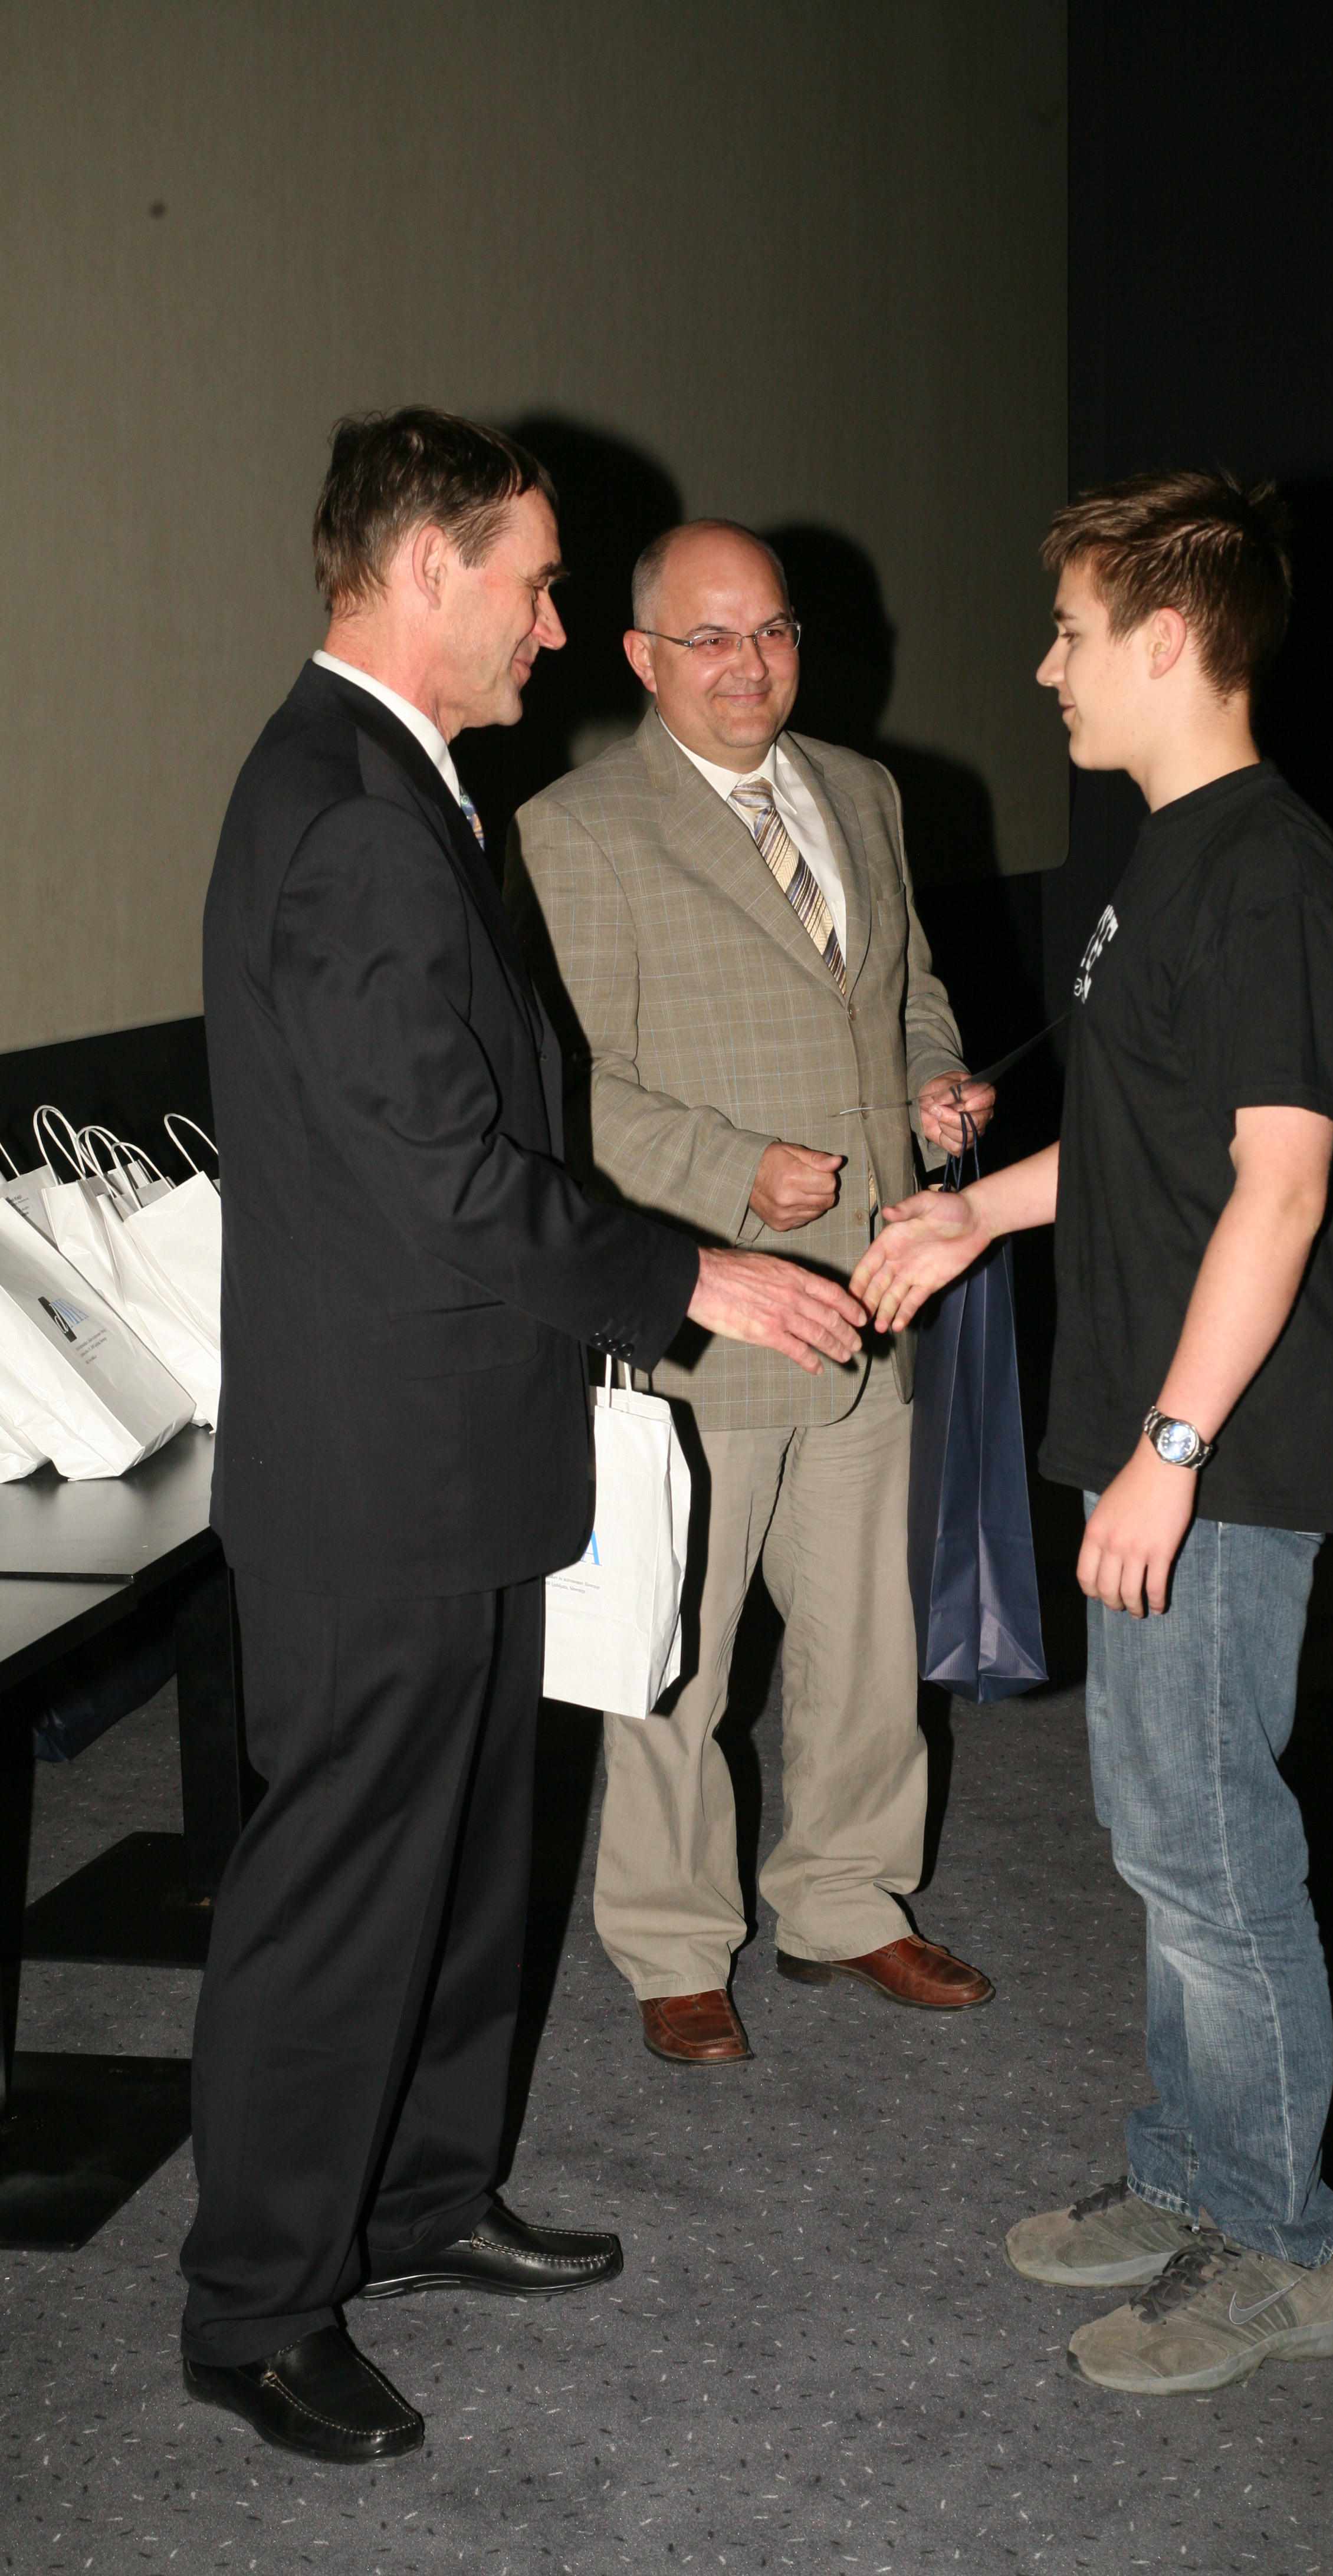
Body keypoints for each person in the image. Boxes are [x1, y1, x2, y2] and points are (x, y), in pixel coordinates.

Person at [186, 414, 866, 2465]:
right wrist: (688, 1274)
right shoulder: (349, 811)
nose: (557, 627)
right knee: (339, 1899)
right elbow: (445, 1177)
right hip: (376, 1477)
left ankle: (418, 2202)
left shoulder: (396, 783)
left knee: (473, 1860)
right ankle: (256, 2305)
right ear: (427, 573)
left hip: (457, 1448)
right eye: (539, 583)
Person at [853, 469, 1333, 2395]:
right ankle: (1194, 2170)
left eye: (1073, 633)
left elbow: (1280, 1187)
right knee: (1163, 1830)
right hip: (1163, 1419)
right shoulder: (1169, 856)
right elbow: (1154, 1143)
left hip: (1230, 1438)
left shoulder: (1270, 875)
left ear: (1170, 641)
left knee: (1214, 1846)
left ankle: (1284, 2248)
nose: (1047, 668)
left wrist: (1173, 1453)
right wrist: (979, 1216)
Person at [504, 520, 995, 2066]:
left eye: (772, 630)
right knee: (681, 1647)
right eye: (708, 638)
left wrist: (935, 1086)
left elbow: (910, 991)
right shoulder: (575, 829)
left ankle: (846, 1899)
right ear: (640, 657)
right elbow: (565, 1087)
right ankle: (671, 1941)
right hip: (704, 1304)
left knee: (867, 1639)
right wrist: (730, 1171)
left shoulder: (864, 791)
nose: (749, 664)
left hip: (875, 1294)